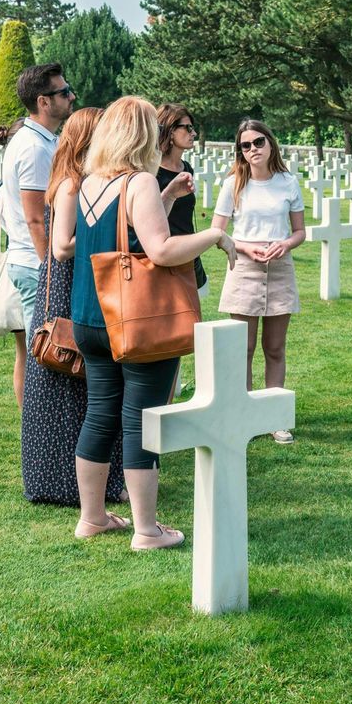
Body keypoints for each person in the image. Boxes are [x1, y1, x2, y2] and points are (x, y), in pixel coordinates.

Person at [52, 96, 236, 549]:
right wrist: (214, 235)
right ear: (143, 135)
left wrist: (167, 194)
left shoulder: (91, 180)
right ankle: (147, 529)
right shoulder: (139, 182)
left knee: (99, 415)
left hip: (90, 316)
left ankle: (92, 517)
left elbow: (107, 233)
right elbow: (161, 250)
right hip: (135, 318)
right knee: (140, 421)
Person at [21, 106, 126, 506]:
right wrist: (106, 240)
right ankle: (57, 482)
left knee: (87, 388)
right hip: (66, 284)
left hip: (83, 279)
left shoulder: (92, 181)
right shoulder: (69, 183)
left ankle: (95, 480)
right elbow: (62, 246)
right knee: (64, 377)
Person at [212, 119, 306, 444]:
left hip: (280, 269)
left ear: (270, 143)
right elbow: (218, 232)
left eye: (258, 143)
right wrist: (246, 246)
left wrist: (286, 244)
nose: (253, 150)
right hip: (245, 269)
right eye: (246, 145)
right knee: (244, 348)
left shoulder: (288, 182)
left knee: (275, 348)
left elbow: (299, 232)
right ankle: (245, 416)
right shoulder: (233, 184)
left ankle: (275, 418)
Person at [1, 65, 76, 404]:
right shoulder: (33, 147)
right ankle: (40, 434)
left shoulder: (44, 140)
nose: (71, 96)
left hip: (36, 262)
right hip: (36, 264)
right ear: (44, 102)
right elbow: (36, 219)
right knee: (45, 352)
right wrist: (52, 270)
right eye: (64, 92)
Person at [0, 118, 30, 407]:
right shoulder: (17, 185)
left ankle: (26, 414)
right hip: (25, 261)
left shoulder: (3, 184)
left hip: (15, 261)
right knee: (30, 351)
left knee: (24, 353)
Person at [155, 104, 208, 295]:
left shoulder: (186, 167)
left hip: (189, 254)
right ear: (169, 131)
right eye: (187, 127)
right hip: (164, 256)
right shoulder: (152, 172)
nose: (193, 133)